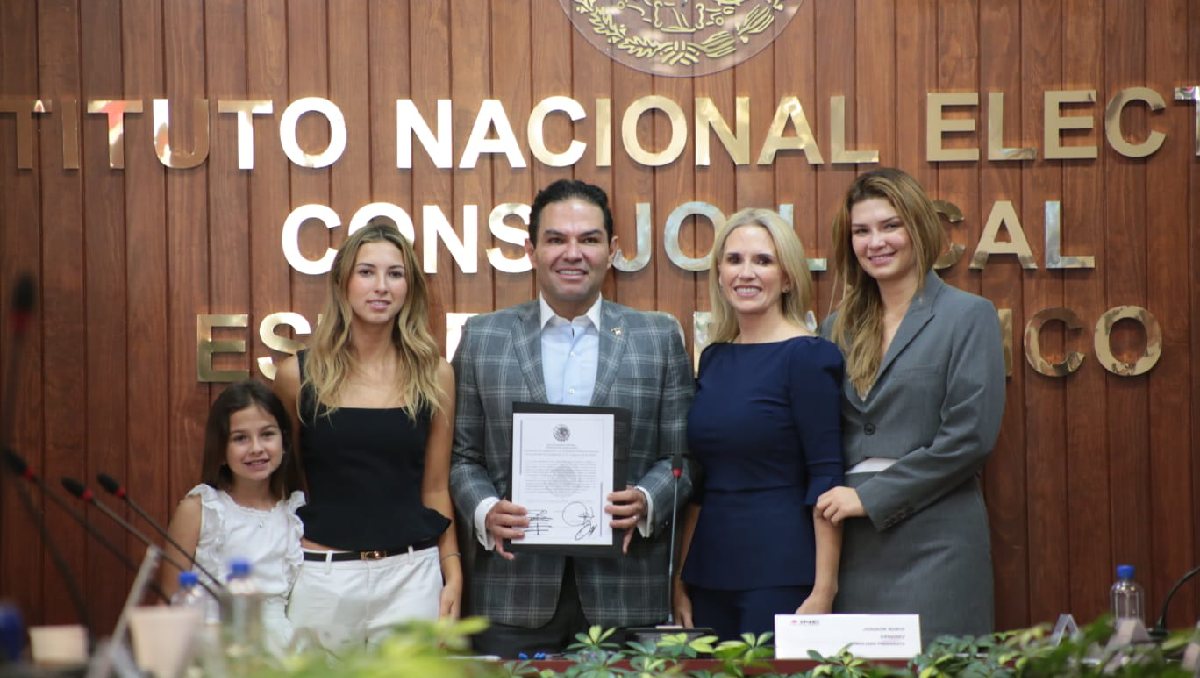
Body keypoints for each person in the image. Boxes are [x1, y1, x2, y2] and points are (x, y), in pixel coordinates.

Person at [449, 179, 695, 657]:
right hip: (511, 591)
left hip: (625, 592)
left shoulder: (659, 337)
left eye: (589, 239)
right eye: (556, 239)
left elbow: (682, 458)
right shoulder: (483, 338)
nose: (572, 253)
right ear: (532, 251)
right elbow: (461, 457)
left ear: (613, 250)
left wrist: (647, 499)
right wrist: (485, 511)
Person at [816, 168, 1006, 646]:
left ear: (918, 228)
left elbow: (970, 439)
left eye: (890, 225)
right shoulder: (835, 329)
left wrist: (872, 497)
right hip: (854, 547)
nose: (875, 242)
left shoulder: (969, 316)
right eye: (862, 231)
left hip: (937, 539)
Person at [273, 219, 460, 654]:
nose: (381, 286)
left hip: (412, 576)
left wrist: (452, 569)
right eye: (366, 272)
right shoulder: (297, 376)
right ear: (342, 283)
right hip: (323, 576)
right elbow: (292, 482)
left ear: (409, 288)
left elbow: (435, 486)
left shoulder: (435, 375)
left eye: (395, 274)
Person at [673, 208, 843, 640]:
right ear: (718, 274)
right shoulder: (714, 358)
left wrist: (824, 589)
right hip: (709, 573)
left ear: (787, 278)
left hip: (781, 575)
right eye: (733, 260)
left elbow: (826, 476)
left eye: (763, 261)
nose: (745, 273)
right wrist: (679, 577)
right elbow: (701, 482)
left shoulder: (808, 356)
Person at [161, 379, 305, 658]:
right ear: (221, 449)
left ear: (284, 442)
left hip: (280, 650)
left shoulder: (295, 511)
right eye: (240, 438)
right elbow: (170, 598)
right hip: (214, 645)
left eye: (267, 434)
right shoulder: (201, 508)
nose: (256, 448)